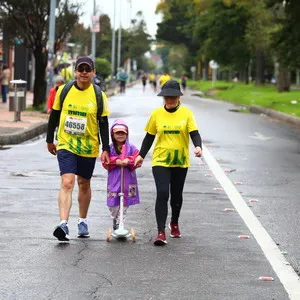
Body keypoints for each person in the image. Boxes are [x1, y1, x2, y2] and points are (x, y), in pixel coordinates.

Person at [46, 56, 110, 241]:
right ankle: (63, 224)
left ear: (93, 72)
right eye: (80, 69)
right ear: (75, 72)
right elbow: (54, 116)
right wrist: (50, 139)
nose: (83, 73)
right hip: (66, 143)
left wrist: (105, 148)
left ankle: (82, 221)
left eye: (87, 69)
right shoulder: (64, 91)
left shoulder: (99, 95)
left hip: (89, 146)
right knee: (67, 182)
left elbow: (103, 123)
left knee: (84, 183)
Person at [134, 80, 202, 246]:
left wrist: (198, 146)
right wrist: (141, 155)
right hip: (161, 160)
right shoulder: (156, 114)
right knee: (163, 193)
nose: (170, 100)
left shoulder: (186, 113)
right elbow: (149, 136)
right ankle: (161, 232)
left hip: (180, 160)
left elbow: (194, 133)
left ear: (179, 97)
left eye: (173, 97)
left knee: (176, 195)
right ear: (163, 97)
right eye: (167, 97)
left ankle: (175, 222)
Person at [102, 119, 140, 230]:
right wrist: (115, 161)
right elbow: (105, 161)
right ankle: (115, 217)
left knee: (125, 203)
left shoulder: (131, 148)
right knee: (113, 203)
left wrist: (129, 160)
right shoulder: (109, 148)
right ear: (112, 134)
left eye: (122, 133)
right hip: (115, 180)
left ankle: (120, 222)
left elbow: (137, 158)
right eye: (117, 133)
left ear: (127, 134)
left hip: (128, 180)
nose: (120, 135)